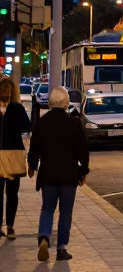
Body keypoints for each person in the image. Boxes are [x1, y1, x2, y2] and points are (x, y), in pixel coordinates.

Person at [27, 86, 89, 262]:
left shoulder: (42, 122)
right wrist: (83, 170)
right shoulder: (75, 123)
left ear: (50, 102)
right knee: (65, 212)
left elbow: (34, 148)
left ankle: (45, 236)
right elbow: (83, 151)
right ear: (67, 103)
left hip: (48, 174)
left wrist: (32, 166)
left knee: (47, 208)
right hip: (69, 176)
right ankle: (61, 249)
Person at [0, 77, 31, 241]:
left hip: (13, 155)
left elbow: (27, 127)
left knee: (12, 193)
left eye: (7, 88)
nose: (5, 91)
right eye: (2, 88)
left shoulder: (17, 108)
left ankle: (10, 226)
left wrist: (14, 120)